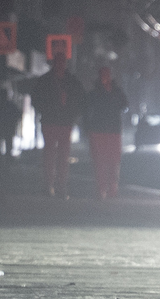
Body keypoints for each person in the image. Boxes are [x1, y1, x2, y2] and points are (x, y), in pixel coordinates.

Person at [27, 53, 85, 199]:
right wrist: (47, 110)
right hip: (51, 122)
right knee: (50, 155)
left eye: (62, 62)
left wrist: (71, 113)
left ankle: (60, 186)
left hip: (63, 122)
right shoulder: (47, 81)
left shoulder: (69, 81)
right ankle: (49, 186)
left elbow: (80, 100)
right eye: (58, 62)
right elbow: (36, 100)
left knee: (62, 156)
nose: (60, 65)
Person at [83, 64, 128, 200]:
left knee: (114, 161)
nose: (105, 77)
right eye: (103, 74)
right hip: (98, 131)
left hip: (113, 131)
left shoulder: (117, 91)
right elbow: (86, 111)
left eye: (107, 74)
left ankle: (112, 188)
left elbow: (125, 105)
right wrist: (88, 128)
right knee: (100, 162)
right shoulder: (94, 93)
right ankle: (101, 189)